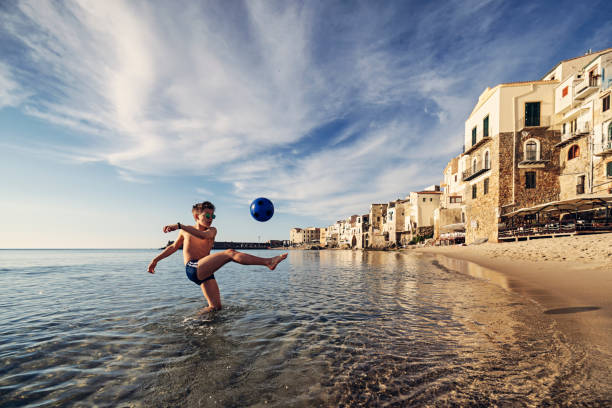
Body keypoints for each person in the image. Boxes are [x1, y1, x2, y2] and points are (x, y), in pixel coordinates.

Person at [147, 201, 287, 313]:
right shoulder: (185, 231)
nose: (210, 219)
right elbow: (173, 247)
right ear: (197, 217)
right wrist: (155, 260)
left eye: (212, 216)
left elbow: (203, 235)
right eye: (207, 216)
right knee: (229, 252)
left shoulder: (212, 231)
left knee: (215, 308)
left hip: (206, 271)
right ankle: (268, 262)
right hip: (193, 267)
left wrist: (179, 225)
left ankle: (192, 323)